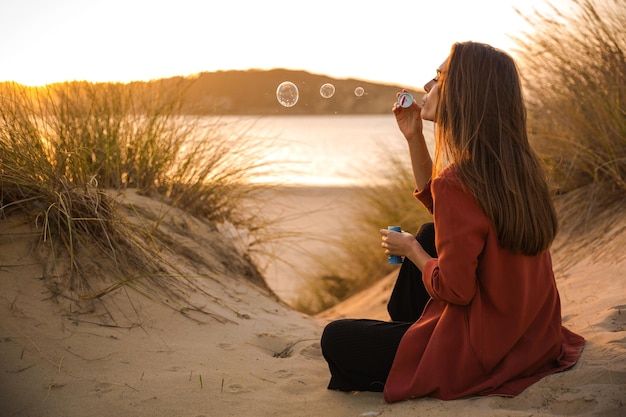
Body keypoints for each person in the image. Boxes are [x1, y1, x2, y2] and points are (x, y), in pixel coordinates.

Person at [320, 41, 585, 403]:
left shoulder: (459, 182)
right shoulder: (519, 168)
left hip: (483, 350)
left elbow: (457, 290)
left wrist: (411, 249)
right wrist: (414, 137)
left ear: (463, 93)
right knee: (433, 233)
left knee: (337, 338)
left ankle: (419, 344)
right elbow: (453, 217)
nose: (427, 86)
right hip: (532, 338)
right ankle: (415, 331)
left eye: (439, 76)